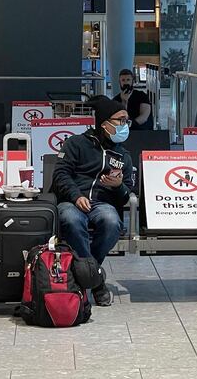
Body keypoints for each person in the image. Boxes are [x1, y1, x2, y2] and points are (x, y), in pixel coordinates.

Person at [52, 99, 134, 306]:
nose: (125, 125)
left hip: (102, 203)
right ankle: (96, 282)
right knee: (70, 219)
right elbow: (61, 174)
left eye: (127, 121)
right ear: (104, 123)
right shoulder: (76, 143)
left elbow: (126, 196)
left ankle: (86, 272)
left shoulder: (123, 155)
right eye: (120, 120)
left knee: (112, 223)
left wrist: (118, 186)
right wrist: (75, 195)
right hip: (72, 200)